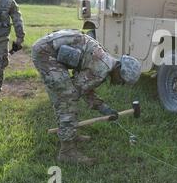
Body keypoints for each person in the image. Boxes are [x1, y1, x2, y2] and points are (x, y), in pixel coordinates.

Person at [32, 29, 141, 165]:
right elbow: (78, 90)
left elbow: (85, 86)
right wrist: (100, 106)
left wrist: (103, 108)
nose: (119, 84)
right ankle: (67, 151)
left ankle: (70, 134)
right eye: (122, 81)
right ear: (120, 72)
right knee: (67, 99)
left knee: (66, 94)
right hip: (46, 54)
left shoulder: (106, 61)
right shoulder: (102, 68)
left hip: (47, 50)